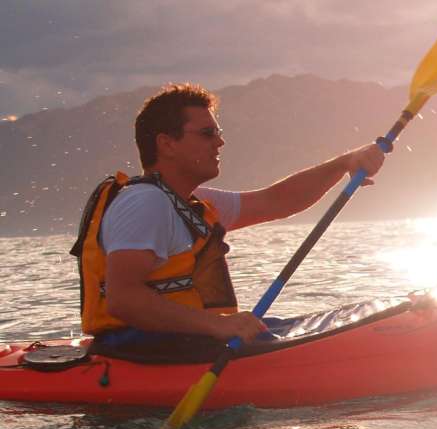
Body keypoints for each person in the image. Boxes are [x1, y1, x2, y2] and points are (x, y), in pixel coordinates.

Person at [70, 83, 385, 355]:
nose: (219, 142)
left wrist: (344, 163)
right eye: (207, 134)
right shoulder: (145, 203)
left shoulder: (189, 203)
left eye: (217, 132)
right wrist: (217, 325)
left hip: (183, 342)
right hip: (144, 349)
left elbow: (276, 201)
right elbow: (123, 299)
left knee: (332, 321)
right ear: (167, 144)